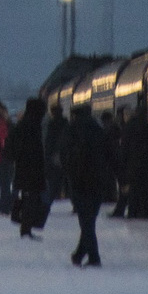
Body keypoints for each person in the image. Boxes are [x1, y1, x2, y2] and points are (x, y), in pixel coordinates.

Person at [63, 103, 113, 267]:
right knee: (89, 220)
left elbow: (64, 156)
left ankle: (93, 257)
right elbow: (111, 155)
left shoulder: (72, 130)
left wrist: (68, 174)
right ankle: (80, 254)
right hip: (98, 181)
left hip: (79, 182)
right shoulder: (99, 131)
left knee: (86, 221)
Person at [7, 97, 50, 238]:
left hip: (24, 169)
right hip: (32, 169)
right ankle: (26, 228)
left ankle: (26, 226)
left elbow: (10, 148)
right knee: (32, 199)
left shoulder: (22, 125)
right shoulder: (32, 126)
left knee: (29, 198)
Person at [118, 102, 148, 218]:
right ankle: (147, 214)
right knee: (147, 193)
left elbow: (124, 149)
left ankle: (133, 213)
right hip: (147, 165)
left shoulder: (128, 128)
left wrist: (123, 166)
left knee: (133, 193)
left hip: (132, 166)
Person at [43, 100, 68, 202]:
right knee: (64, 176)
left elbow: (49, 140)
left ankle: (55, 194)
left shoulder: (51, 124)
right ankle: (63, 193)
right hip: (64, 153)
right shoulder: (66, 123)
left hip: (53, 154)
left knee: (54, 177)